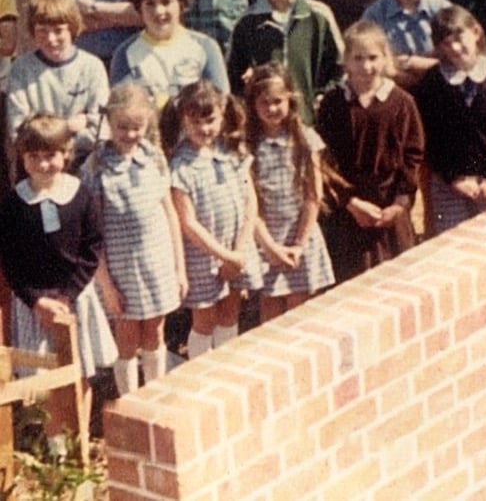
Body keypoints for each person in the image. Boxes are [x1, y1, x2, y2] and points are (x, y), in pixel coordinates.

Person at [0, 115, 115, 439]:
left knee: (79, 372)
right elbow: (11, 262)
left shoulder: (80, 195)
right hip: (36, 306)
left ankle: (79, 441)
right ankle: (57, 449)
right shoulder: (14, 203)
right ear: (22, 157)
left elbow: (92, 249)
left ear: (65, 153)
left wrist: (67, 296)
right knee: (46, 380)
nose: (42, 164)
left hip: (74, 300)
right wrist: (37, 301)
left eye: (49, 155)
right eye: (33, 156)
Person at [83, 83, 184, 395]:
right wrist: (106, 285)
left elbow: (170, 215)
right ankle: (130, 400)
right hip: (120, 271)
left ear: (148, 124)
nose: (129, 134)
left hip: (157, 264)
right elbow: (92, 235)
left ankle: (156, 395)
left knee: (155, 332)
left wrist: (179, 268)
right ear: (110, 123)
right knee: (126, 338)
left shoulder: (153, 157)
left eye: (137, 127)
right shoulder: (97, 167)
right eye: (122, 127)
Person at [315, 20, 424, 280]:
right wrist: (350, 202)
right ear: (346, 61)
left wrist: (400, 202)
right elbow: (325, 161)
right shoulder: (334, 104)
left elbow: (413, 154)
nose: (366, 66)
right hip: (349, 214)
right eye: (358, 58)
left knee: (396, 281)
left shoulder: (401, 102)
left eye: (373, 57)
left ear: (385, 57)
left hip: (390, 210)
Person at [169, 80, 262, 356]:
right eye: (195, 122)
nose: (204, 129)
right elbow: (188, 223)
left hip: (236, 248)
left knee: (230, 313)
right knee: (205, 320)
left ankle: (227, 367)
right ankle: (201, 372)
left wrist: (240, 250)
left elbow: (250, 200)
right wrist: (224, 255)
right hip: (204, 257)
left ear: (222, 114)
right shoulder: (180, 165)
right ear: (183, 121)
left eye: (210, 120)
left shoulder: (231, 150)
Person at [244, 63, 335, 320]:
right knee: (270, 312)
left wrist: (298, 245)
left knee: (300, 312)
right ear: (253, 104)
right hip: (266, 241)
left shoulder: (305, 139)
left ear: (290, 100)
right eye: (264, 102)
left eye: (278, 101)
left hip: (299, 238)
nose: (272, 109)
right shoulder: (247, 145)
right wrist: (270, 248)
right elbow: (249, 205)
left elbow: (313, 197)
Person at [412, 5, 486, 233]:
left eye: (460, 38)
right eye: (446, 44)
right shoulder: (433, 83)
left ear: (476, 32)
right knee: (454, 239)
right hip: (449, 182)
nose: (455, 48)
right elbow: (430, 138)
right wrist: (453, 178)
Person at [229, 0, 342, 119]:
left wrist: (324, 98)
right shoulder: (247, 23)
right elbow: (234, 78)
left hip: (310, 121)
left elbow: (340, 68)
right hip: (265, 125)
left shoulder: (318, 16)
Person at [6, 0, 109, 171]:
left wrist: (46, 132)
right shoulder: (21, 69)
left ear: (72, 28)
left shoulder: (92, 66)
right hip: (39, 165)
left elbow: (101, 129)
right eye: (42, 31)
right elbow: (18, 131)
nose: (51, 39)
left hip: (83, 164)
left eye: (58, 30)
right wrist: (67, 127)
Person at [110, 0, 229, 102]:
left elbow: (221, 102)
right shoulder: (125, 53)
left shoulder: (206, 47)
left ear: (181, 4)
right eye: (150, 4)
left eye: (166, 2)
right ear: (139, 8)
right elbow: (121, 108)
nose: (159, 11)